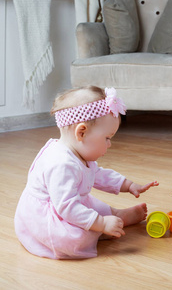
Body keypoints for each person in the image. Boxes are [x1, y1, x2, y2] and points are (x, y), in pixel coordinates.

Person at [15, 86, 159, 259]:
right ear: (81, 132)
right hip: (49, 217)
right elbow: (67, 207)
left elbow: (98, 174)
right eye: (107, 138)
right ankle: (101, 230)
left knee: (95, 207)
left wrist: (128, 185)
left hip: (70, 203)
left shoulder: (79, 154)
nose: (109, 144)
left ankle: (116, 215)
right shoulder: (61, 164)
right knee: (75, 239)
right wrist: (100, 223)